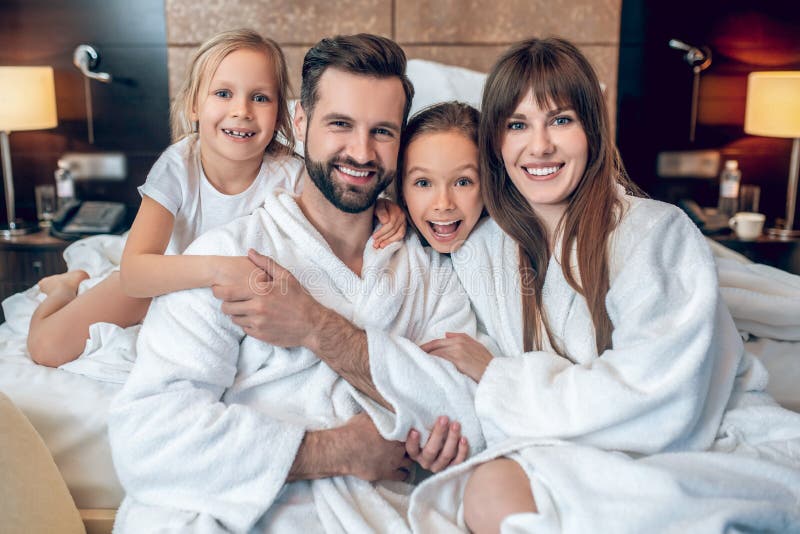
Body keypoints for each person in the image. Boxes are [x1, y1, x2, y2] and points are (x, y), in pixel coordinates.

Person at [403, 37, 800, 533]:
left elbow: (655, 398)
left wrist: (498, 377)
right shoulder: (483, 246)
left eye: (561, 120)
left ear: (592, 128)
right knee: (485, 492)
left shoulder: (655, 233)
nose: (540, 145)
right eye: (518, 125)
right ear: (496, 145)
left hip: (696, 442)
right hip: (567, 445)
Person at [108, 33, 482, 533]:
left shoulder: (432, 269)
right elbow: (147, 441)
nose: (361, 151)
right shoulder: (233, 258)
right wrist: (335, 450)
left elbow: (472, 414)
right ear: (301, 122)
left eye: (383, 132)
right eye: (340, 125)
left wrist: (317, 327)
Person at [26, 28, 405, 368]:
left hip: (231, 294)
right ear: (194, 105)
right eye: (223, 94)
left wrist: (384, 207)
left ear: (282, 115)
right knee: (47, 347)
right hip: (168, 277)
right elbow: (137, 271)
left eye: (260, 98)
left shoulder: (290, 172)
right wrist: (220, 268)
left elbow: (342, 191)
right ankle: (63, 289)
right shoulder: (178, 166)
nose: (241, 111)